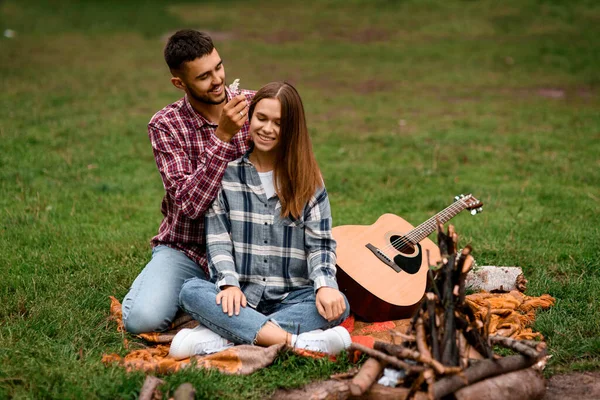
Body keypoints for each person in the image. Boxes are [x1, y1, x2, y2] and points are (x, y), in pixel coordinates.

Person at [168, 82, 351, 360]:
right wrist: (228, 284)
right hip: (240, 297)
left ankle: (225, 336)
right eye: (261, 118)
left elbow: (321, 243)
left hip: (292, 297)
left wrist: (325, 285)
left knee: (340, 304)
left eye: (279, 123)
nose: (267, 129)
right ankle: (297, 342)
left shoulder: (308, 179)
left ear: (292, 129)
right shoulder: (227, 174)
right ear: (249, 119)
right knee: (191, 291)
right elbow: (218, 241)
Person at [121, 29, 255, 334]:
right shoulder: (165, 125)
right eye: (204, 76)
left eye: (219, 67)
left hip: (249, 248)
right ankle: (195, 294)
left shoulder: (253, 104)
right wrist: (223, 136)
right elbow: (191, 205)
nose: (218, 80)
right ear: (179, 83)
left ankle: (199, 300)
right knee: (141, 320)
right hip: (188, 247)